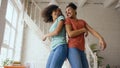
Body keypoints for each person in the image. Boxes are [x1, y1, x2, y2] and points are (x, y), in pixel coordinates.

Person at [65, 2, 107, 68]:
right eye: (66, 11)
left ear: (74, 10)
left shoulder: (82, 22)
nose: (67, 12)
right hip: (72, 48)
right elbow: (70, 34)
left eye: (69, 10)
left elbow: (92, 30)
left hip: (81, 49)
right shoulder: (68, 20)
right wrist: (83, 30)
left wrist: (101, 38)